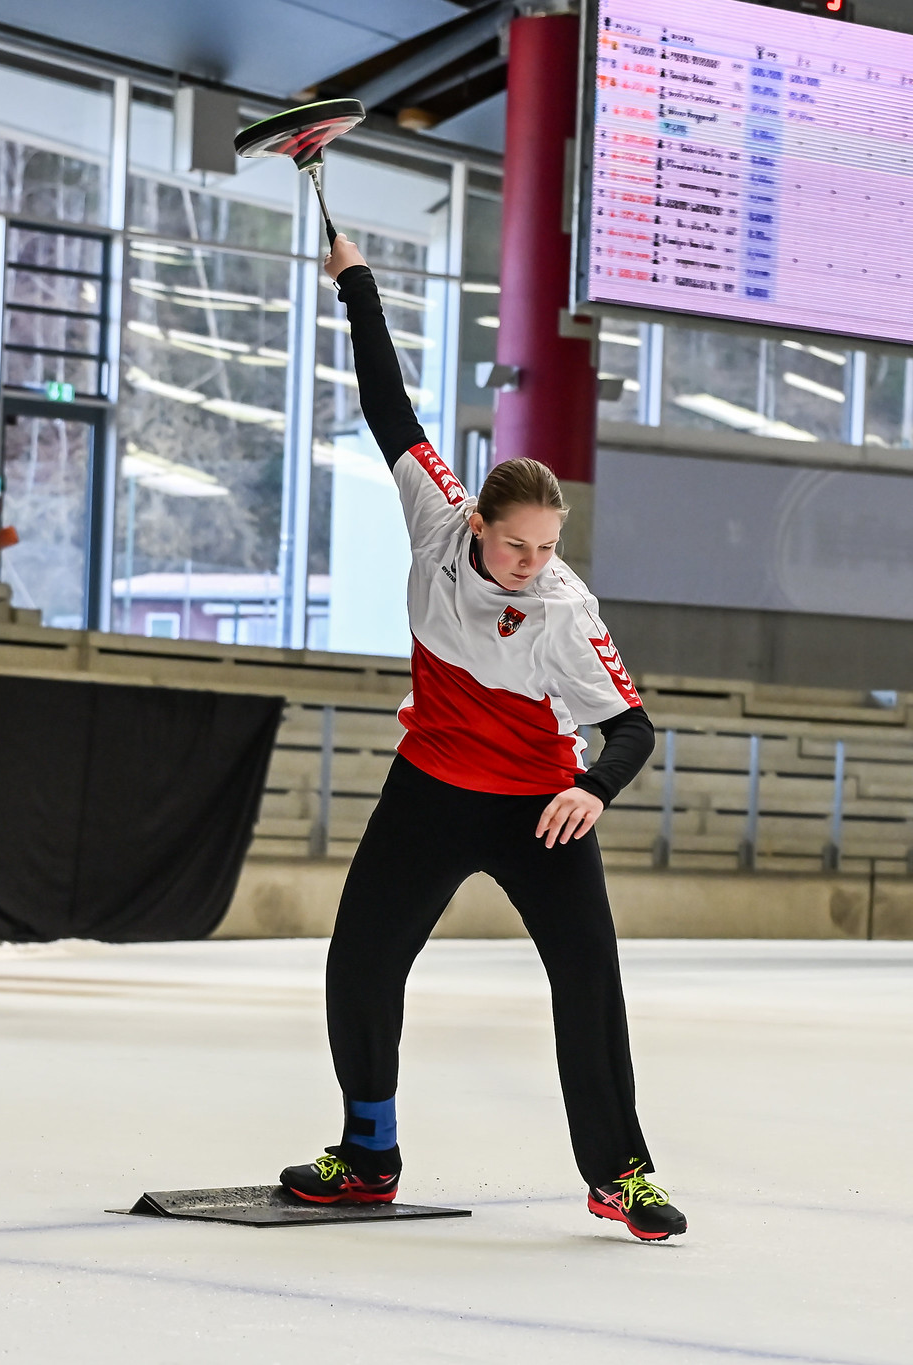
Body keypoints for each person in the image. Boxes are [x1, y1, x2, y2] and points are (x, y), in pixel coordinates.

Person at [274, 235, 686, 1242]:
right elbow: (387, 406)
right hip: (428, 788)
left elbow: (628, 729)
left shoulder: (562, 609)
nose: (530, 562)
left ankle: (618, 1174)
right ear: (479, 525)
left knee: (587, 976)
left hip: (536, 809)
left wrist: (594, 789)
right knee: (361, 960)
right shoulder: (435, 516)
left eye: (547, 547)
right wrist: (354, 283)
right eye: (516, 543)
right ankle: (367, 1155)